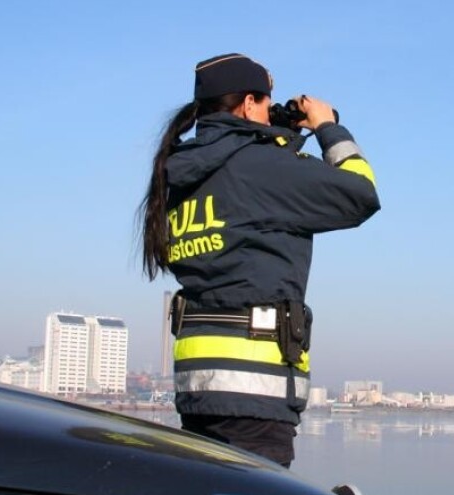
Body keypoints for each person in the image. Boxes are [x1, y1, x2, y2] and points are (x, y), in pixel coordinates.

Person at [139, 53, 380, 468]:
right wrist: (326, 126)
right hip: (256, 394)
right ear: (249, 104)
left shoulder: (180, 171)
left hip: (198, 388)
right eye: (267, 104)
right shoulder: (263, 167)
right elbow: (360, 194)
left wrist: (273, 135)